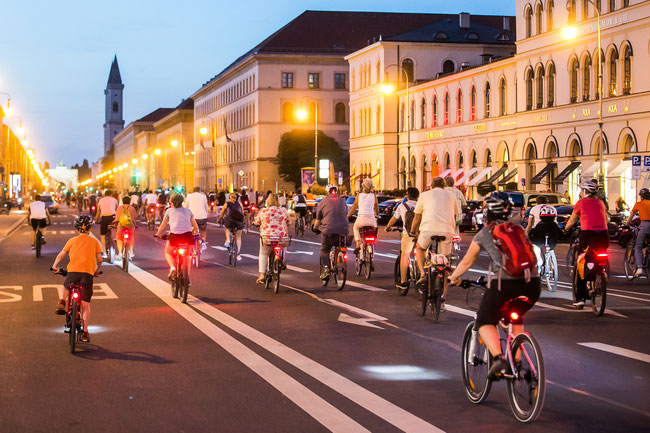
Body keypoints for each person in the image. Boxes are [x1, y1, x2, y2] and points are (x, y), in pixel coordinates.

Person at [449, 191, 541, 379]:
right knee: (516, 315)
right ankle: (516, 361)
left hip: (505, 285)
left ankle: (499, 359)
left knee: (485, 320)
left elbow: (467, 261)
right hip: (532, 284)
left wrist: (453, 277)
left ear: (488, 212)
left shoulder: (485, 233)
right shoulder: (518, 229)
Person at [51, 215, 103, 343]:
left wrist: (55, 266)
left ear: (76, 229)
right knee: (85, 304)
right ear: (90, 229)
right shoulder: (95, 242)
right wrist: (95, 269)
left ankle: (62, 301)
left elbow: (61, 254)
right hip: (87, 275)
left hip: (73, 272)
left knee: (65, 287)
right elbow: (100, 259)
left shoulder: (72, 241)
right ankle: (85, 331)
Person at [411, 176, 460, 307]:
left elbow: (417, 216)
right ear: (444, 186)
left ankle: (422, 274)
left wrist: (412, 230)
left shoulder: (424, 195)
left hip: (428, 229)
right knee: (445, 262)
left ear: (431, 186)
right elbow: (455, 216)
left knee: (420, 249)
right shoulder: (451, 196)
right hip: (447, 230)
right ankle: (443, 295)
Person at [564, 179, 609, 308]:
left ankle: (580, 298)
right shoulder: (601, 202)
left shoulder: (581, 203)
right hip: (603, 234)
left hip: (588, 234)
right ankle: (602, 272)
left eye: (581, 190)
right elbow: (605, 218)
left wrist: (565, 229)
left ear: (584, 191)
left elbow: (572, 220)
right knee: (601, 254)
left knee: (581, 262)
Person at [155, 194, 199, 279]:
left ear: (171, 202)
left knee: (168, 252)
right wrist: (192, 231)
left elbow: (163, 225)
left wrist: (158, 234)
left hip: (174, 236)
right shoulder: (188, 211)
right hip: (187, 236)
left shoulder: (169, 211)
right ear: (182, 201)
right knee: (187, 257)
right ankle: (187, 278)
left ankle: (172, 267)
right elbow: (196, 227)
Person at [386, 187, 419, 290]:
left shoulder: (402, 206)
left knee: (405, 255)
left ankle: (403, 281)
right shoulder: (421, 205)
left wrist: (388, 227)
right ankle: (423, 275)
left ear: (407, 196)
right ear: (418, 196)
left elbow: (394, 219)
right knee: (422, 253)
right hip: (420, 234)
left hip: (407, 234)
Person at [313, 184, 349, 274]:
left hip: (328, 231)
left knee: (324, 250)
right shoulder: (343, 201)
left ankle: (326, 269)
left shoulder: (323, 202)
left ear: (327, 192)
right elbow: (345, 213)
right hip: (344, 230)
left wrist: (314, 228)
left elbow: (317, 221)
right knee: (341, 246)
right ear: (336, 191)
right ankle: (342, 256)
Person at [254, 193, 290, 284]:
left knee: (263, 253)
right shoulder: (284, 211)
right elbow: (289, 222)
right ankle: (282, 259)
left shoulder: (263, 211)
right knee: (283, 246)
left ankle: (262, 275)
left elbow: (257, 221)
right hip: (281, 237)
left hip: (267, 237)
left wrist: (255, 223)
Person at [528, 205, 564, 271]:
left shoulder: (539, 225)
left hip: (539, 239)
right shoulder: (554, 226)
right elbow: (561, 234)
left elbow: (532, 233)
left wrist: (529, 237)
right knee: (551, 248)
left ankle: (538, 259)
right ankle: (552, 264)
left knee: (536, 247)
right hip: (552, 240)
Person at [348, 178, 379, 254]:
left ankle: (358, 244)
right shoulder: (373, 195)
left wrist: (348, 215)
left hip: (361, 219)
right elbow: (376, 207)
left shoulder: (359, 195)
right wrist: (377, 214)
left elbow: (354, 207)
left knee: (355, 228)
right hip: (371, 220)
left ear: (363, 186)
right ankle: (371, 245)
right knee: (373, 231)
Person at [626, 188, 650, 277]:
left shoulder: (639, 204)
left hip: (645, 225)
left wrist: (627, 224)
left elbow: (631, 216)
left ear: (641, 197)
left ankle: (639, 268)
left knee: (638, 246)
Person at [219, 193, 245, 260]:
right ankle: (238, 254)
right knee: (238, 237)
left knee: (227, 227)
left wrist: (219, 219)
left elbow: (221, 214)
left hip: (230, 221)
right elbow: (242, 213)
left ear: (229, 198)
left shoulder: (226, 204)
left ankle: (228, 239)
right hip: (238, 222)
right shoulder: (240, 204)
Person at [95, 189, 118, 257]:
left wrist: (96, 220)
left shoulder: (101, 200)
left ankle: (104, 252)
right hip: (113, 217)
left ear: (104, 195)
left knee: (103, 235)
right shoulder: (114, 200)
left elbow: (98, 211)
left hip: (104, 218)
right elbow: (117, 209)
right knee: (117, 227)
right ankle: (116, 237)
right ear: (111, 194)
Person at [115, 196, 138, 260]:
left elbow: (117, 218)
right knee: (131, 236)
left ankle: (120, 253)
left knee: (119, 237)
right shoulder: (132, 208)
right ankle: (131, 251)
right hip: (130, 225)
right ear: (130, 201)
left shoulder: (119, 208)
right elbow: (134, 218)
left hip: (121, 225)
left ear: (122, 201)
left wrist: (114, 224)